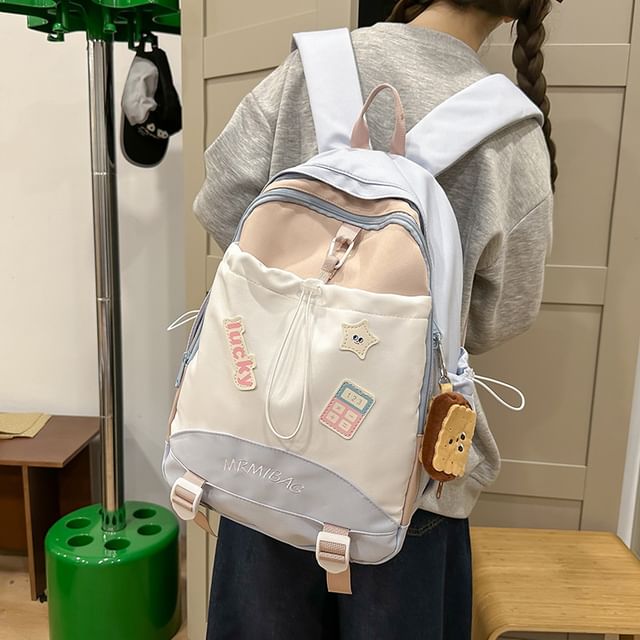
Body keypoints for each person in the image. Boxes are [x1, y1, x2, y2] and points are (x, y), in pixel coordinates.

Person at [193, 1, 557, 638]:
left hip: (266, 439)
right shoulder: (509, 132)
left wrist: (302, 294)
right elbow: (503, 315)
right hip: (409, 473)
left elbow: (221, 201)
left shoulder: (312, 70)